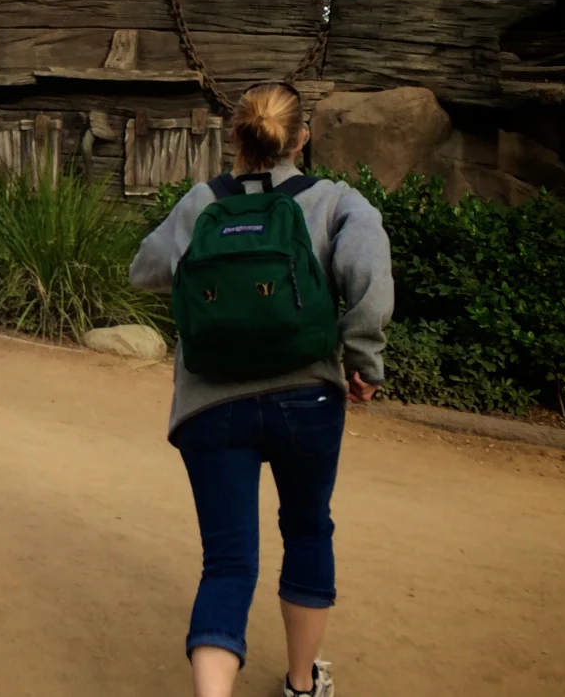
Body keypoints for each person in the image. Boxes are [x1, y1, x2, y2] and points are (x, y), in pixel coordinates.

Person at [130, 83, 394, 697]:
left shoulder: (201, 202)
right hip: (308, 397)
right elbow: (370, 275)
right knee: (307, 530)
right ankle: (302, 683)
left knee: (227, 562)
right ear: (302, 138)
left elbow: (144, 271)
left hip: (210, 403)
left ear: (235, 136)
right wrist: (364, 360)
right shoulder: (336, 200)